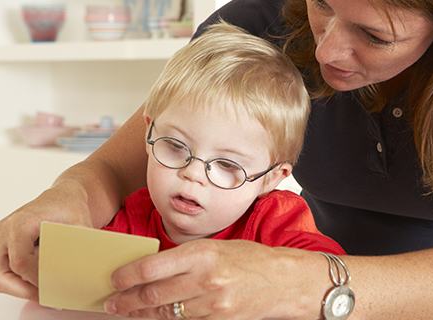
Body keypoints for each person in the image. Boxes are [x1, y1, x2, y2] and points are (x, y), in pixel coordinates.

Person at [0, 0, 433, 319]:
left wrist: (299, 286)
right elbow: (117, 167)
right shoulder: (254, 25)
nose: (327, 46)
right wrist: (60, 200)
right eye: (321, 2)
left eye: (374, 35)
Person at [99, 21, 344, 256]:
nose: (193, 174)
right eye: (175, 146)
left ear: (270, 178)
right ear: (148, 131)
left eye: (227, 164)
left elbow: (334, 277)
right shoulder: (132, 218)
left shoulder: (276, 222)